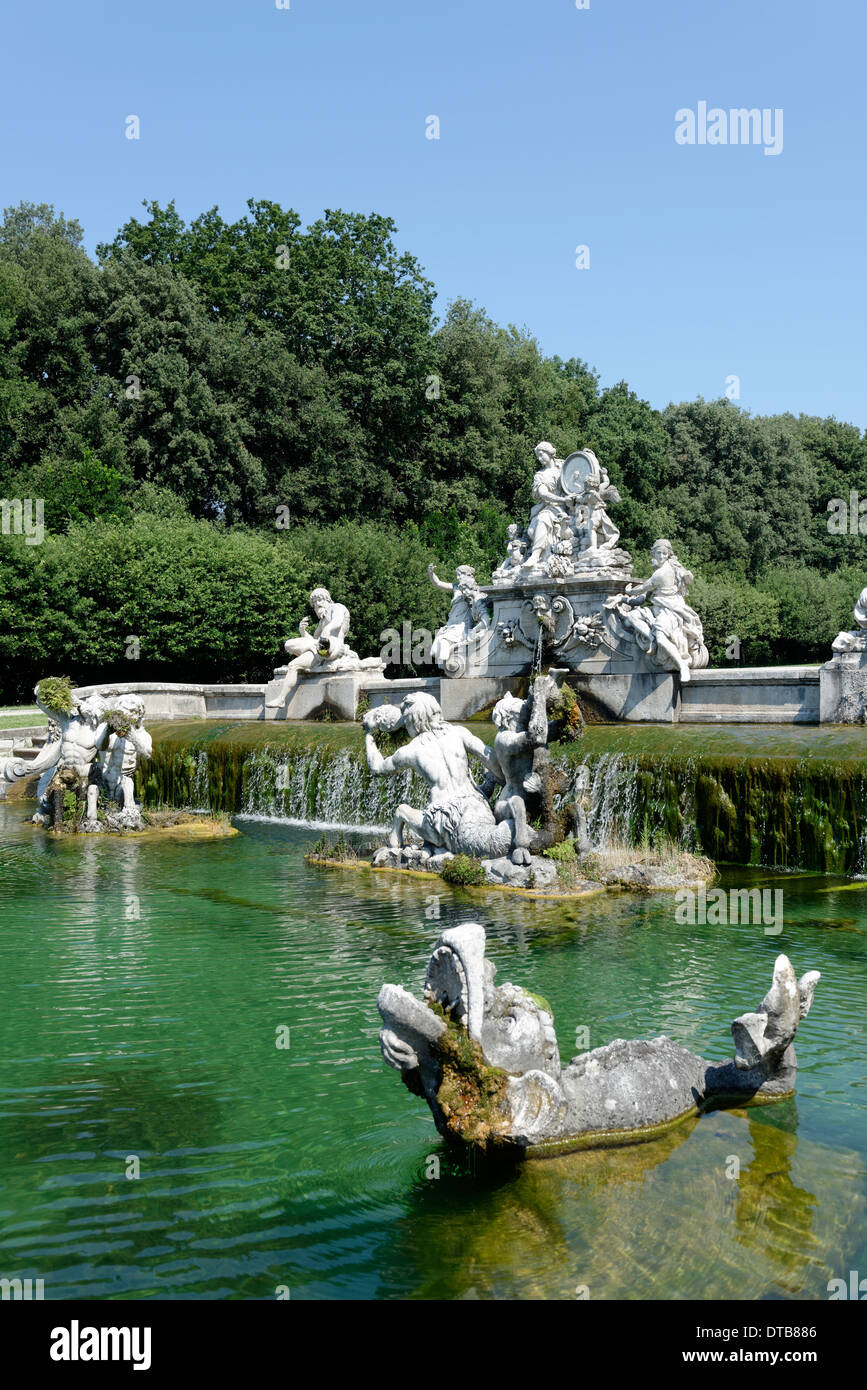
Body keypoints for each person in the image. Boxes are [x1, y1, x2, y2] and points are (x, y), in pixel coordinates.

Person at [266, 588, 355, 708]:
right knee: (292, 659)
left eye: (320, 600)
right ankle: (281, 699)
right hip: (319, 650)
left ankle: (316, 653)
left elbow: (337, 621)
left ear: (327, 599)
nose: (317, 604)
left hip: (335, 646)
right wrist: (302, 631)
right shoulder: (322, 622)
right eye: (314, 604)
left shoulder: (337, 607)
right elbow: (313, 640)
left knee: (318, 643)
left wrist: (327, 630)